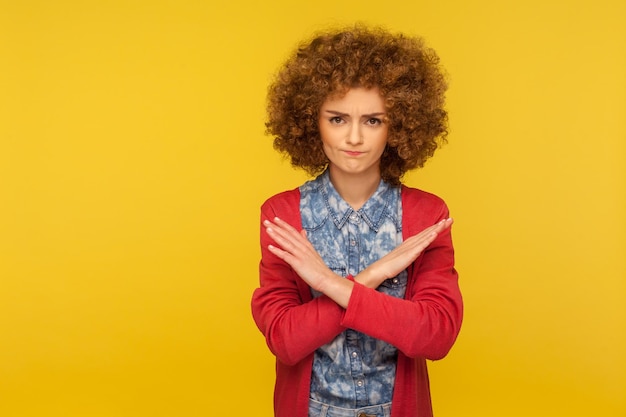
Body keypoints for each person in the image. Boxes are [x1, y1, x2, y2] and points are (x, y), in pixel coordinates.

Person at [251, 25, 463, 417]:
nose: (353, 138)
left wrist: (330, 286)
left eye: (372, 121)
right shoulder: (282, 215)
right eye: (337, 119)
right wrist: (373, 276)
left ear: (396, 126)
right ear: (311, 121)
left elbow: (435, 337)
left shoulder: (426, 217)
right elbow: (285, 339)